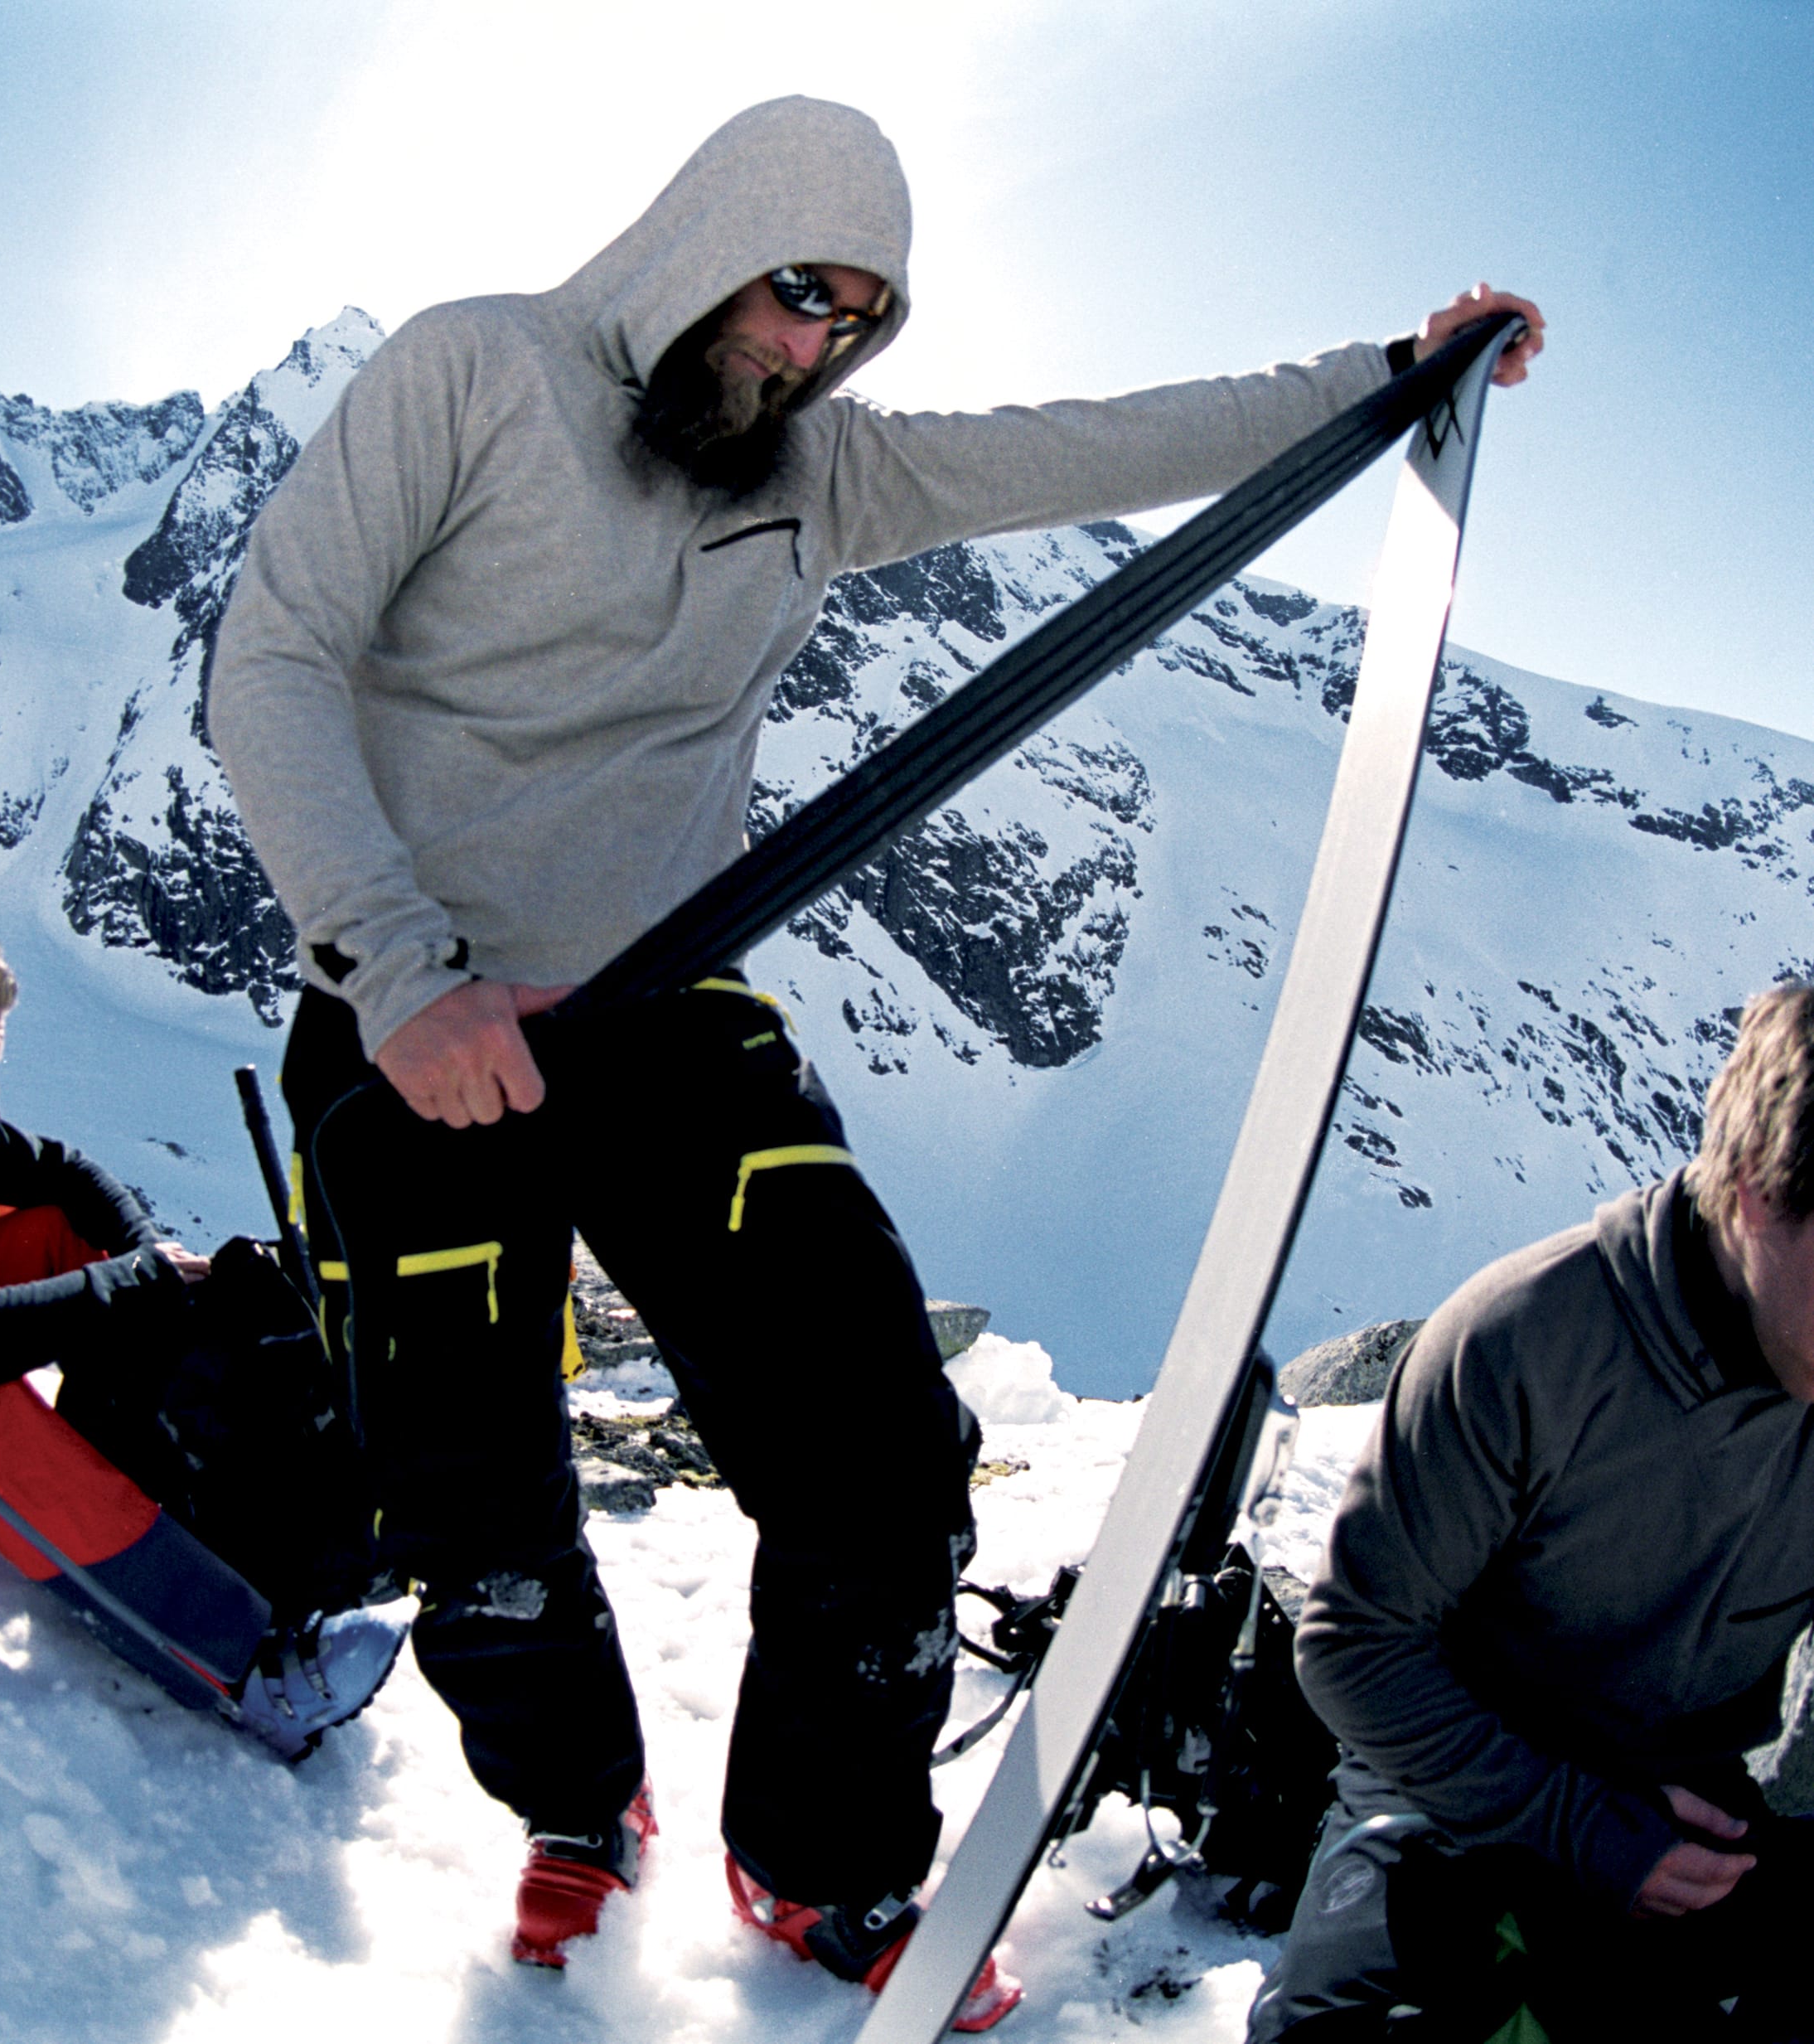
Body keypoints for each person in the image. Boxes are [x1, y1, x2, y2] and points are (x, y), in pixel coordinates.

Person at [207, 93, 1541, 2010]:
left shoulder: (815, 476)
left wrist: (1378, 379)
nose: (813, 344)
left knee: (881, 1451)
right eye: (797, 291)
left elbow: (1083, 450)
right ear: (708, 240)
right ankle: (584, 1813)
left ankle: (813, 1858)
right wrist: (403, 973)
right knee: (471, 1516)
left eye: (855, 318)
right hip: (411, 1019)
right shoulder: (474, 372)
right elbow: (273, 649)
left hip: (668, 1006)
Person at [1250, 981, 1814, 2042]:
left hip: (1692, 1823)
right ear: (1753, 1194)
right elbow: (1351, 1648)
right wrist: (1580, 1826)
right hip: (1452, 1808)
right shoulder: (1525, 1343)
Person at [0, 918, 406, 1761]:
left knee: (55, 1229)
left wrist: (143, 1266)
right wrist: (122, 1288)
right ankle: (245, 1668)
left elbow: (67, 1173)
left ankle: (195, 1488)